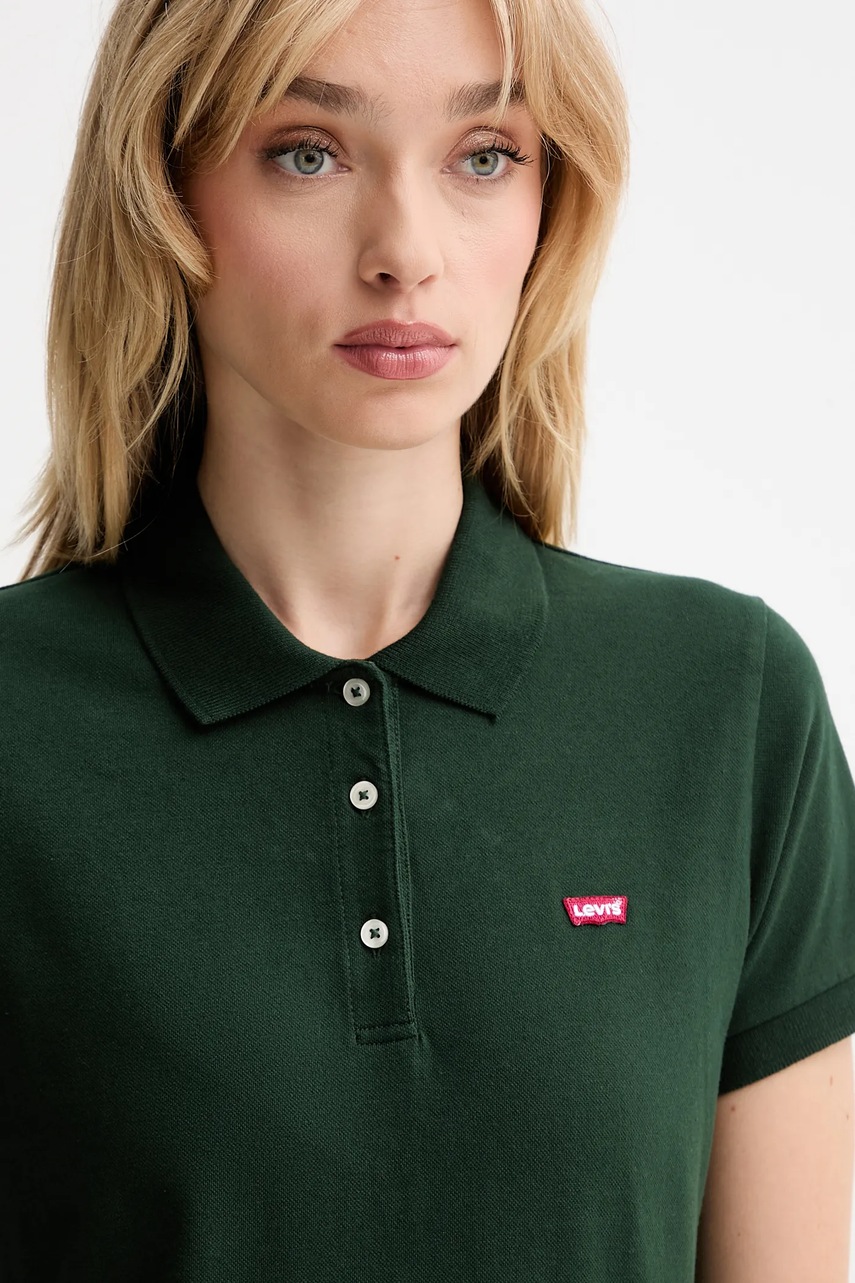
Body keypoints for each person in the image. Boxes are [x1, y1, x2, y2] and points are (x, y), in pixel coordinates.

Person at [2, 0, 853, 1279]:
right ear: (161, 194)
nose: (405, 251)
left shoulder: (727, 704)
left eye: (484, 155)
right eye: (307, 152)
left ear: (551, 205)